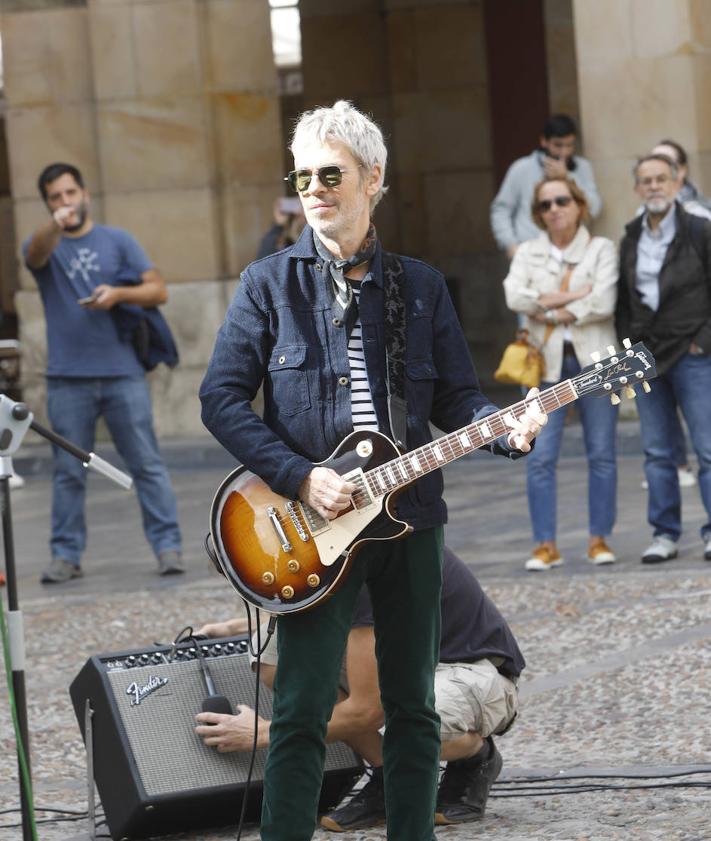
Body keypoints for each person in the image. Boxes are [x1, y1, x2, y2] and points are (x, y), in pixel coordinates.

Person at [199, 100, 546, 841]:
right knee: (296, 709)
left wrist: (507, 432)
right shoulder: (268, 284)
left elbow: (456, 397)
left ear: (372, 178)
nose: (316, 189)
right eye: (304, 176)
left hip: (410, 521)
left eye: (333, 173)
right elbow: (220, 399)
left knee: (411, 705)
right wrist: (297, 476)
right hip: (311, 525)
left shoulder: (420, 286)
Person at [195, 546, 524, 830]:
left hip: (474, 672)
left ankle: (476, 758)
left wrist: (265, 734)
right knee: (274, 651)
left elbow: (368, 710)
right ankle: (387, 775)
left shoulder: (359, 567)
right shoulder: (325, 557)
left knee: (414, 722)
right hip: (413, 662)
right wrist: (231, 627)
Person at [23, 163, 183, 583]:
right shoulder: (46, 244)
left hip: (121, 373)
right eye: (55, 197)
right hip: (66, 378)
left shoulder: (118, 241)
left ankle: (169, 548)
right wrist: (53, 227)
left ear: (85, 194)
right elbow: (33, 254)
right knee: (68, 471)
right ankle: (65, 555)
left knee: (146, 463)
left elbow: (158, 289)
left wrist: (117, 295)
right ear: (48, 204)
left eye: (70, 194)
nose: (65, 203)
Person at [503, 177, 619, 571]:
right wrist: (573, 295)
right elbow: (513, 296)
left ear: (579, 204)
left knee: (601, 453)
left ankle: (599, 540)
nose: (554, 209)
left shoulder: (601, 248)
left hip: (596, 360)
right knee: (538, 454)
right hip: (544, 365)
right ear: (538, 213)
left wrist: (544, 307)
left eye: (561, 201)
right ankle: (544, 545)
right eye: (545, 204)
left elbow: (604, 301)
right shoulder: (528, 252)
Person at [616, 153, 711, 565]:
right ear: (637, 189)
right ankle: (664, 534)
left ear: (676, 183)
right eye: (646, 180)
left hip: (693, 353)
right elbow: (624, 301)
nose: (654, 186)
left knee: (707, 449)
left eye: (661, 179)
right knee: (657, 452)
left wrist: (703, 341)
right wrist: (628, 350)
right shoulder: (631, 236)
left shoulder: (699, 230)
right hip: (646, 357)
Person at [490, 114, 602, 261]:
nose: (564, 152)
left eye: (569, 145)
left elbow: (593, 209)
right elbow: (501, 210)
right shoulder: (521, 168)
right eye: (558, 145)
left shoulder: (582, 168)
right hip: (530, 254)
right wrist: (511, 245)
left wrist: (568, 177)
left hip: (572, 253)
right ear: (544, 141)